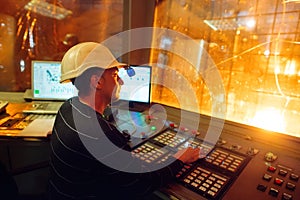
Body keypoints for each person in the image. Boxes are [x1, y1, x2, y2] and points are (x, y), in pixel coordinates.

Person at [48, 42, 201, 199]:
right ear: (97, 82)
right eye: (115, 76)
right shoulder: (101, 134)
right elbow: (140, 185)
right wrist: (179, 159)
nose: (120, 82)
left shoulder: (68, 107)